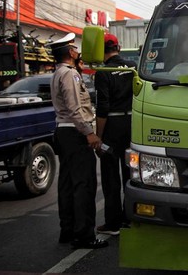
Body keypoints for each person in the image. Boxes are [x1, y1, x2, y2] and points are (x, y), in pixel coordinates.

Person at [49, 33, 108, 249]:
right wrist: (89, 133)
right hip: (75, 133)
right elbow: (75, 109)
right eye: (75, 47)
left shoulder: (58, 73)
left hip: (63, 133)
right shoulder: (71, 75)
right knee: (84, 185)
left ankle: (68, 230)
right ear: (71, 52)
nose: (77, 50)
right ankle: (84, 236)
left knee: (66, 184)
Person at [95, 33, 136, 236]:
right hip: (131, 125)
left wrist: (98, 136)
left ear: (102, 51)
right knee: (131, 174)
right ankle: (131, 218)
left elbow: (102, 108)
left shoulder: (103, 72)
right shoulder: (132, 67)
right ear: (118, 47)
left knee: (111, 177)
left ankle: (113, 223)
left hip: (112, 126)